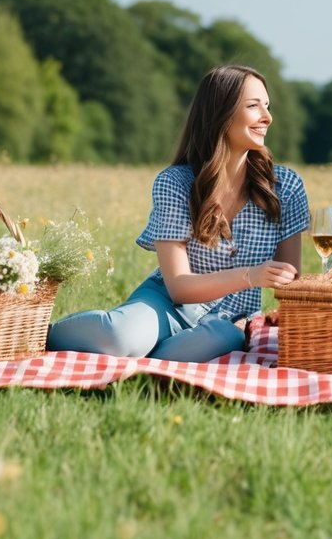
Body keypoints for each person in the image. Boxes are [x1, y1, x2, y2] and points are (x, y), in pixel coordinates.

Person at [47, 65, 309, 362]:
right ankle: (40, 333)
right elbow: (179, 287)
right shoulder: (175, 183)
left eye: (267, 105)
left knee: (191, 351)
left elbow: (293, 286)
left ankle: (134, 364)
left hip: (229, 321)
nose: (267, 116)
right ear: (220, 114)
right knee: (120, 337)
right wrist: (251, 276)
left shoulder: (285, 187)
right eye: (253, 106)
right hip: (165, 302)